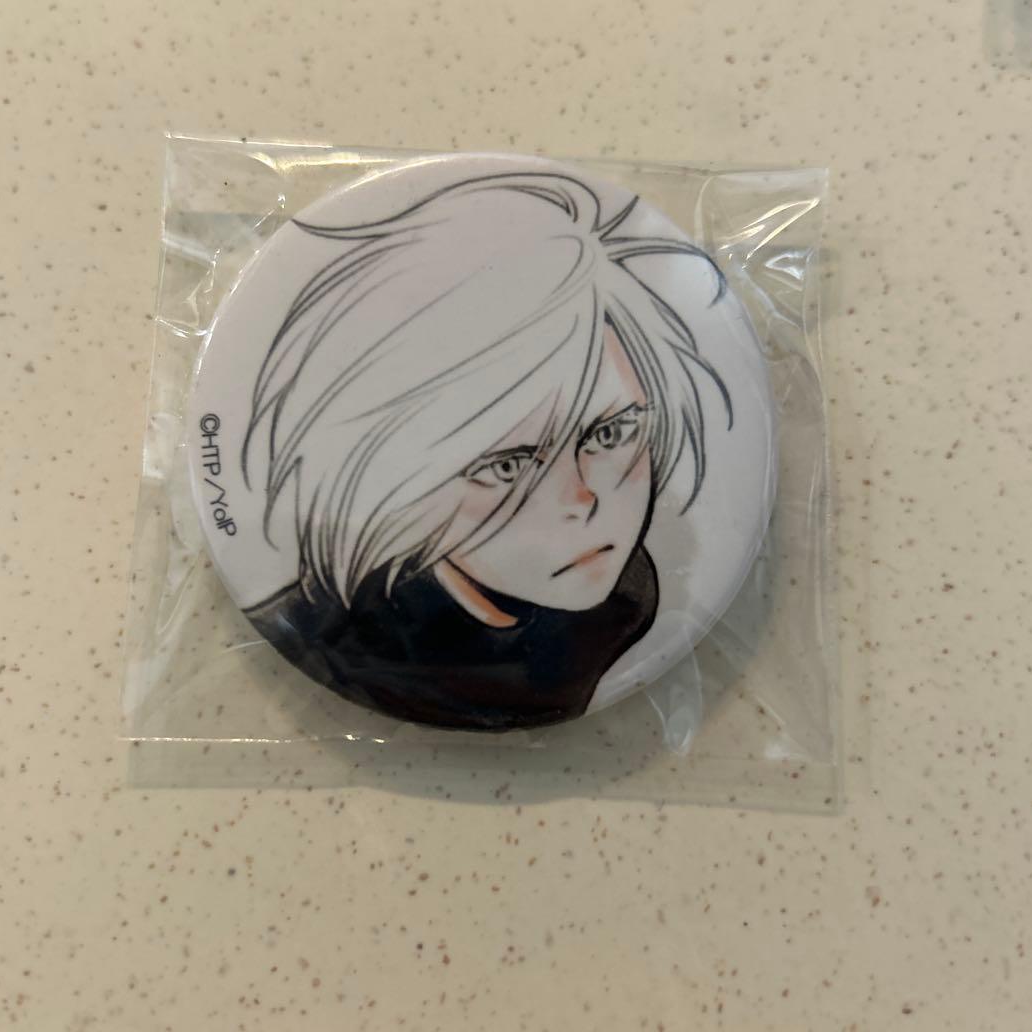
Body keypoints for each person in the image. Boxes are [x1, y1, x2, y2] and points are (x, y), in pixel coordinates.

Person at [242, 171, 731, 730]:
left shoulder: (629, 592)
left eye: (608, 434)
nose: (582, 500)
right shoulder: (336, 641)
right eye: (507, 465)